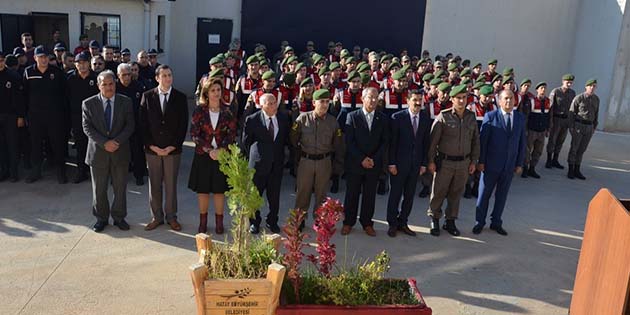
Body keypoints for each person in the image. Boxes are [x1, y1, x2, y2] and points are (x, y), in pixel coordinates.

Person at [82, 70, 135, 233]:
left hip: (120, 152)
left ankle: (119, 217)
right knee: (99, 189)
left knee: (120, 188)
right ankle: (101, 218)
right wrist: (105, 143)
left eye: (111, 83)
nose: (108, 87)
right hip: (98, 153)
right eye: (104, 84)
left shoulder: (125, 102)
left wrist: (116, 141)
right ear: (98, 86)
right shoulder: (88, 103)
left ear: (115, 84)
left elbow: (130, 125)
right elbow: (87, 127)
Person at [140, 65, 189, 231]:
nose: (168, 78)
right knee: (154, 185)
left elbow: (183, 126)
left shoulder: (180, 98)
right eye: (165, 76)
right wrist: (152, 146)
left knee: (170, 185)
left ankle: (171, 217)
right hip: (152, 150)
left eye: (170, 75)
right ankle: (156, 217)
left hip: (172, 150)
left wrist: (172, 146)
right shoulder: (147, 97)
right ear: (157, 78)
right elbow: (143, 124)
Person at [426, 84, 479, 237]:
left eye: (464, 98)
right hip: (445, 162)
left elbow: (476, 141)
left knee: (456, 193)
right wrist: (431, 160)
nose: (462, 101)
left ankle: (450, 221)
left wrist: (474, 161)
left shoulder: (471, 117)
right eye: (458, 98)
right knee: (439, 192)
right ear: (452, 99)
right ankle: (434, 218)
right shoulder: (443, 116)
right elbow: (433, 142)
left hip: (463, 163)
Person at [473, 89, 526, 236]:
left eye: (511, 99)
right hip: (490, 165)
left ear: (515, 101)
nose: (508, 101)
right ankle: (479, 222)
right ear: (499, 101)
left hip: (509, 166)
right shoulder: (490, 116)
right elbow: (483, 142)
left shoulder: (520, 118)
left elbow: (522, 142)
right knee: (484, 195)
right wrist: (481, 161)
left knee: (501, 196)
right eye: (505, 99)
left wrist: (520, 163)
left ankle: (496, 222)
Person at [188, 79, 237, 234]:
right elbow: (194, 134)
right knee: (203, 190)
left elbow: (232, 134)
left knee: (219, 190)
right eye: (213, 90)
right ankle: (203, 222)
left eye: (218, 90)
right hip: (204, 155)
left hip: (222, 156)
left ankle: (219, 222)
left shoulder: (227, 111)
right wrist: (210, 150)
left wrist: (221, 150)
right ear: (206, 93)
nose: (216, 93)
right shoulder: (199, 111)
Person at [291, 89, 344, 230]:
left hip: (324, 161)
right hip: (306, 160)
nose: (325, 105)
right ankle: (299, 220)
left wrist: (337, 165)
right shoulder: (302, 119)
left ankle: (320, 220)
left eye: (327, 102)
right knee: (303, 192)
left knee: (322, 194)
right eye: (322, 102)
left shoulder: (333, 122)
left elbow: (338, 144)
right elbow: (293, 140)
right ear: (314, 103)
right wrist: (297, 160)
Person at [341, 87, 389, 237]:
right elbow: (349, 142)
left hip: (373, 164)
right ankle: (348, 222)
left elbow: (384, 142)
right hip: (355, 163)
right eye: (370, 97)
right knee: (352, 194)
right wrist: (362, 159)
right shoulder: (352, 116)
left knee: (369, 196)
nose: (373, 100)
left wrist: (373, 159)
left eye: (376, 97)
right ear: (363, 98)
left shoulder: (382, 118)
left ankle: (367, 223)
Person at [385, 89, 430, 237]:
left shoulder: (424, 118)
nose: (418, 103)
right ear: (407, 101)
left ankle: (403, 222)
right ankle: (392, 223)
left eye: (420, 100)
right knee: (395, 195)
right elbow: (392, 143)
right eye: (415, 100)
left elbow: (425, 143)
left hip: (415, 165)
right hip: (398, 164)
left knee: (409, 196)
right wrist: (391, 163)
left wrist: (423, 164)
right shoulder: (397, 118)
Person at [242, 93, 289, 234]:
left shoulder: (283, 118)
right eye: (269, 103)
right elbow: (245, 142)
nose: (273, 106)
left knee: (274, 196)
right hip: (258, 165)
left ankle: (272, 221)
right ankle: (254, 222)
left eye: (274, 102)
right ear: (261, 105)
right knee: (255, 195)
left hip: (276, 164)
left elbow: (285, 140)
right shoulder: (252, 120)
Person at [23, 46, 68, 184]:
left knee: (57, 144)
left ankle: (61, 172)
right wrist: (25, 115)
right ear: (35, 58)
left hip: (54, 116)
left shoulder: (57, 72)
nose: (43, 59)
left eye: (45, 57)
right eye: (40, 57)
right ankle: (36, 171)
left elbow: (64, 94)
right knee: (36, 145)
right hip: (35, 117)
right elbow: (24, 94)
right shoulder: (29, 72)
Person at [66, 51, 99, 183]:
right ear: (75, 64)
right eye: (79, 63)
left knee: (95, 144)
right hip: (77, 116)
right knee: (80, 145)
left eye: (85, 62)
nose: (82, 65)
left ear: (89, 64)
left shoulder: (96, 78)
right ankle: (81, 171)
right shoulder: (70, 78)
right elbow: (66, 98)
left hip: (94, 117)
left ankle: (94, 171)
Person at [567, 79, 599, 180]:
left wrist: (594, 126)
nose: (592, 88)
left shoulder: (596, 99)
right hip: (579, 126)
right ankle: (571, 169)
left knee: (582, 149)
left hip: (589, 127)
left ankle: (577, 168)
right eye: (590, 86)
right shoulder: (579, 98)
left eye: (594, 86)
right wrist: (571, 127)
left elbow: (596, 113)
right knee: (574, 148)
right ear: (586, 87)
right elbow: (571, 113)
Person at [0, 51, 25, 182]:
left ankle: (14, 173)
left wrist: (20, 116)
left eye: (1, 60)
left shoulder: (13, 76)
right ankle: (3, 171)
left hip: (11, 116)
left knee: (12, 144)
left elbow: (19, 99)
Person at [546, 74, 576, 169]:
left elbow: (573, 108)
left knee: (560, 140)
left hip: (566, 120)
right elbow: (551, 107)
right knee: (552, 139)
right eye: (567, 82)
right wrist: (550, 121)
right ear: (563, 81)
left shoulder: (572, 93)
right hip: (556, 119)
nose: (569, 84)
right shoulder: (556, 91)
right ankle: (549, 159)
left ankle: (555, 159)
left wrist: (571, 122)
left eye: (571, 82)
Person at [523, 82, 552, 179]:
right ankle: (525, 168)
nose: (543, 90)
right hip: (532, 130)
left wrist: (548, 129)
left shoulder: (548, 101)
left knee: (538, 151)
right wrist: (526, 129)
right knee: (527, 150)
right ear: (537, 90)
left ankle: (532, 168)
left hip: (542, 131)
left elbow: (549, 117)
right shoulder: (532, 101)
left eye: (545, 88)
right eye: (541, 88)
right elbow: (526, 116)